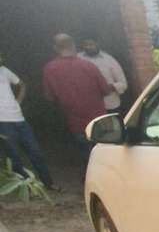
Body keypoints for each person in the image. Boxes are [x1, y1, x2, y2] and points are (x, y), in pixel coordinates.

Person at [43, 33, 110, 169]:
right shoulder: (88, 66)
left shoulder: (50, 69)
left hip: (76, 124)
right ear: (73, 45)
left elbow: (50, 97)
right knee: (107, 155)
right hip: (100, 120)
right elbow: (106, 90)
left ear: (55, 48)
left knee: (89, 159)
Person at [0, 50, 55, 188]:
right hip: (3, 122)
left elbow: (22, 84)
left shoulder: (4, 70)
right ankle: (27, 188)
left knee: (36, 152)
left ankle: (48, 183)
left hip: (19, 119)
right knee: (14, 157)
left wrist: (18, 101)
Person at [79, 37, 127, 112]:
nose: (88, 47)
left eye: (91, 44)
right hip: (89, 106)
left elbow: (123, 84)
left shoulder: (109, 60)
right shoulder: (78, 58)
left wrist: (109, 87)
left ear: (97, 43)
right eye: (85, 45)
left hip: (110, 105)